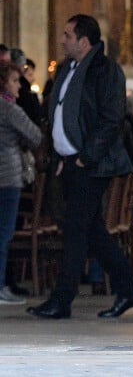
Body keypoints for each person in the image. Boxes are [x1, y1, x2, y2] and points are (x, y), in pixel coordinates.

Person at [27, 14, 133, 320]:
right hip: (70, 163)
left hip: (91, 164)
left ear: (84, 40)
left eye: (68, 34)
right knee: (91, 231)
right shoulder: (67, 68)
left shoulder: (107, 71)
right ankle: (129, 291)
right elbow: (61, 113)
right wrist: (60, 157)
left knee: (76, 230)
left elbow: (110, 119)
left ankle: (62, 299)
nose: (62, 39)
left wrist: (85, 157)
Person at [0, 62, 42, 304]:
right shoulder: (9, 109)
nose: (18, 86)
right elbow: (35, 136)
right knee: (4, 235)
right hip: (7, 177)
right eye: (15, 81)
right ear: (4, 82)